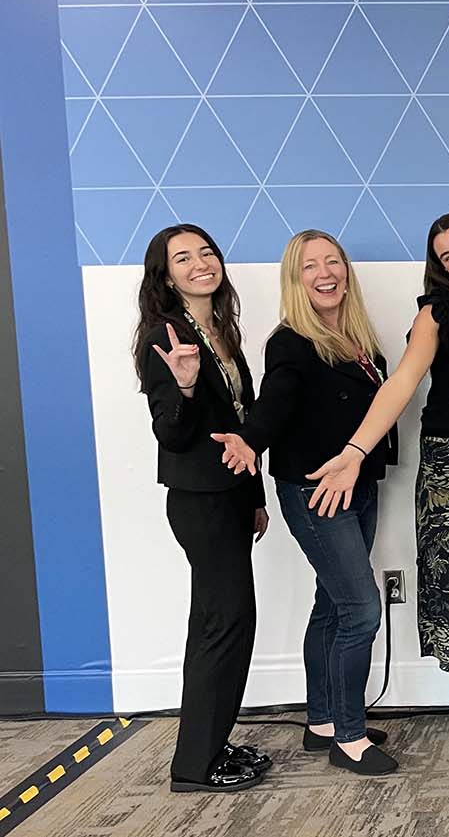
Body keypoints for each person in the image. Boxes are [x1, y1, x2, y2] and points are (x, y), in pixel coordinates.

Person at [305, 214, 449, 747]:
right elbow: (404, 382)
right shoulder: (438, 312)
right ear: (441, 268)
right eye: (447, 257)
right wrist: (354, 450)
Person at [213, 230, 399, 774]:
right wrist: (250, 437)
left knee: (332, 603)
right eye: (310, 267)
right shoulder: (290, 341)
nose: (325, 273)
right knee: (361, 610)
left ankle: (322, 722)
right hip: (315, 490)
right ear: (295, 280)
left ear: (346, 270)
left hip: (359, 485)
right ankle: (350, 736)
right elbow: (276, 401)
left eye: (333, 262)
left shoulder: (359, 340)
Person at [132, 224, 271, 793]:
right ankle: (195, 766)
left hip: (232, 497)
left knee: (221, 623)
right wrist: (185, 387)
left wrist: (256, 499)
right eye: (182, 259)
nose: (199, 264)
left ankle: (209, 744)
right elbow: (171, 432)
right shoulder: (166, 335)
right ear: (166, 275)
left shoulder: (219, 328)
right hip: (200, 502)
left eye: (206, 253)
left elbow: (241, 421)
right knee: (226, 623)